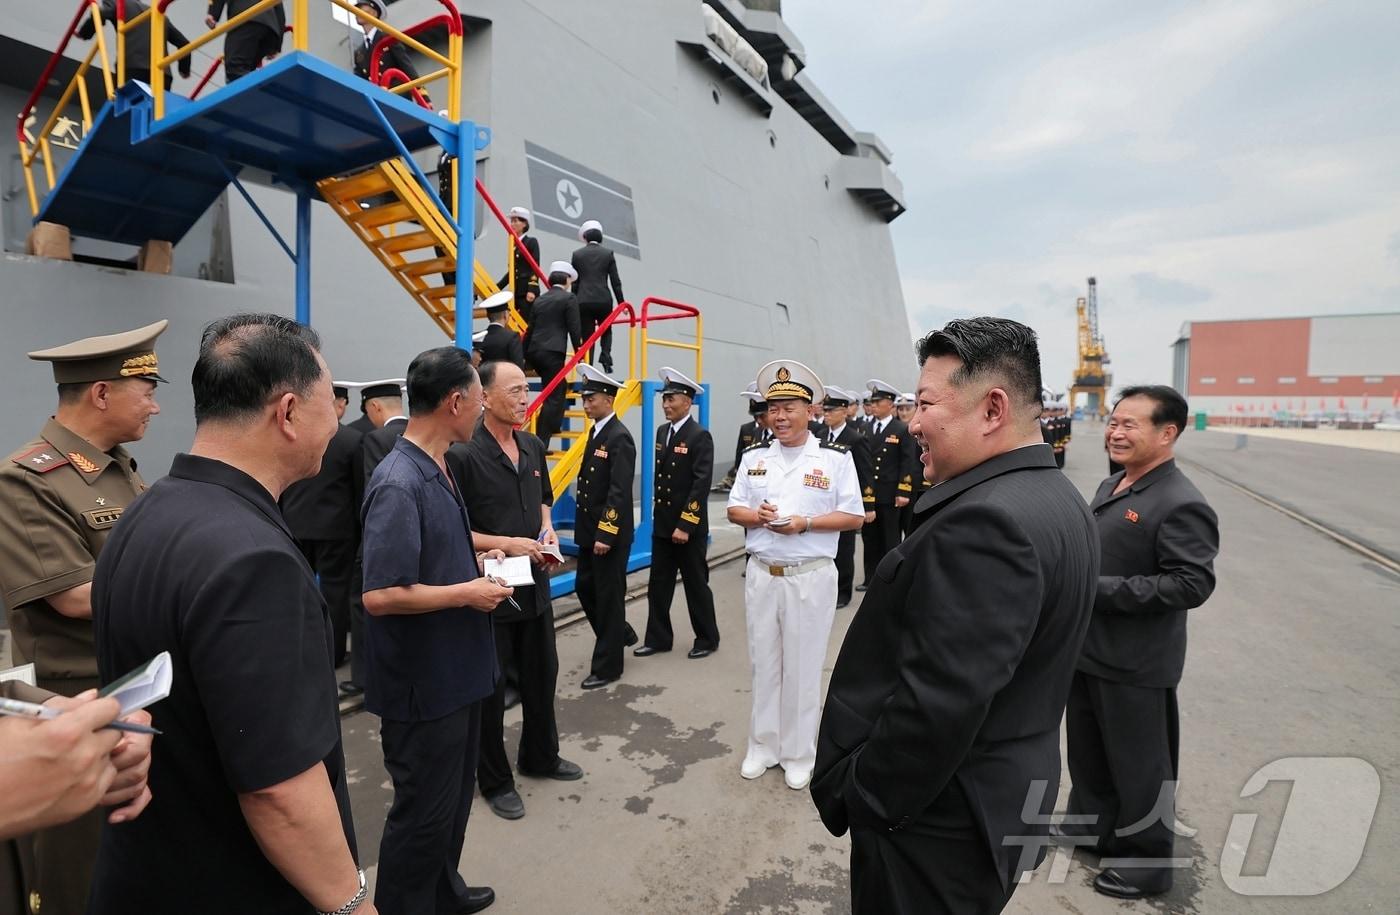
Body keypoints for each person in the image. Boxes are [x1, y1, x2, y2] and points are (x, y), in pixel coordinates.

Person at [812, 317, 1101, 914]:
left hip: (938, 824)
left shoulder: (985, 523)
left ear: (992, 409)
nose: (913, 422)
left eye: (925, 403)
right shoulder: (1057, 497)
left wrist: (865, 795)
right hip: (1000, 795)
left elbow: (937, 705)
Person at [89, 313, 371, 915]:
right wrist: (352, 905)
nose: (336, 420)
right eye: (331, 404)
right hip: (233, 883)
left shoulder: (147, 512)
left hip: (150, 871)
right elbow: (278, 790)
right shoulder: (254, 561)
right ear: (288, 412)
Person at [0, 319, 166, 915]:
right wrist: (185, 589)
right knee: (84, 872)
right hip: (81, 703)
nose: (154, 403)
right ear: (102, 393)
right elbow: (72, 594)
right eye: (145, 389)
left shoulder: (118, 467)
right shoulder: (25, 479)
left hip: (139, 686)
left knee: (144, 860)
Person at [360, 347, 510, 915]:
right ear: (454, 402)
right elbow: (380, 595)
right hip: (425, 685)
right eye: (477, 400)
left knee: (450, 806)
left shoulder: (439, 462)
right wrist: (467, 593)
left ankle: (443, 892)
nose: (481, 411)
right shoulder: (399, 481)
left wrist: (501, 549)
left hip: (458, 671)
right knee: (422, 812)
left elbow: (443, 541)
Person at [1057, 385, 1219, 901]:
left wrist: (1098, 590)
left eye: (1131, 424)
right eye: (1113, 422)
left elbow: (1191, 583)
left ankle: (1150, 861)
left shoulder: (1181, 502)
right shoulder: (1114, 485)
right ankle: (1093, 826)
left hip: (1136, 662)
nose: (1116, 431)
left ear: (1167, 433)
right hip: (1090, 648)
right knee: (1089, 751)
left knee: (1141, 766)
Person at [447, 361, 582, 823]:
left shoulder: (532, 444)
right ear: (484, 397)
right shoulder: (462, 455)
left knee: (542, 676)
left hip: (535, 581)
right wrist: (506, 543)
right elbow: (454, 531)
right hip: (493, 587)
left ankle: (540, 756)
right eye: (515, 391)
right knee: (491, 690)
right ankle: (495, 779)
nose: (525, 399)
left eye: (527, 390)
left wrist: (547, 531)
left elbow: (543, 499)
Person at [726, 360, 864, 791]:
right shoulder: (754, 457)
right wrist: (758, 516)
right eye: (773, 408)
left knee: (803, 668)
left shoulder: (835, 459)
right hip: (763, 574)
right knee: (764, 663)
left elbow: (854, 516)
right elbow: (734, 508)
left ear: (812, 411)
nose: (780, 417)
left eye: (789, 407)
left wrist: (806, 523)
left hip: (811, 575)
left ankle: (800, 753)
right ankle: (763, 745)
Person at [636, 367, 719, 659]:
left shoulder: (699, 436)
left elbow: (700, 485)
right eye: (664, 399)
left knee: (696, 585)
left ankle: (707, 638)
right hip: (663, 525)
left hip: (688, 527)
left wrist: (685, 524)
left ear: (687, 400)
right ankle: (658, 638)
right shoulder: (663, 432)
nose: (666, 405)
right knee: (658, 584)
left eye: (672, 399)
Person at [280, 382, 363, 667]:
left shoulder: (292, 434)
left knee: (295, 591)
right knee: (335, 596)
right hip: (337, 531)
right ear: (338, 403)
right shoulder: (352, 439)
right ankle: (335, 653)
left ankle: (295, 650)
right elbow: (357, 490)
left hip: (294, 524)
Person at [573, 363, 639, 688]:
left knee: (609, 596)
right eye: (584, 399)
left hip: (607, 535)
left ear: (609, 399)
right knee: (585, 588)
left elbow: (618, 490)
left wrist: (606, 533)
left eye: (591, 398)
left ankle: (608, 667)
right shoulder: (596, 432)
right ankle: (620, 633)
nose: (586, 405)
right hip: (589, 532)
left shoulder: (619, 437)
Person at [342, 378, 407, 696]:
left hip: (379, 544)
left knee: (363, 606)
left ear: (375, 407)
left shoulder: (375, 440)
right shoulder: (423, 434)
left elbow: (372, 497)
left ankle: (365, 678)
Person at [856, 378, 919, 592]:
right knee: (869, 538)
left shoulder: (900, 429)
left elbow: (907, 461)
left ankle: (889, 580)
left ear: (890, 404)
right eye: (872, 402)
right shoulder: (864, 428)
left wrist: (904, 490)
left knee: (890, 538)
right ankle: (869, 577)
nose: (873, 405)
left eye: (878, 401)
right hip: (869, 493)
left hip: (890, 492)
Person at [819, 386, 875, 609]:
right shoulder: (819, 436)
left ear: (844, 411)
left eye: (831, 411)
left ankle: (843, 592)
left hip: (845, 502)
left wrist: (867, 505)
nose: (827, 414)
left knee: (844, 549)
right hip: (823, 501)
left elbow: (865, 473)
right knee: (825, 549)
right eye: (825, 410)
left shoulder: (855, 438)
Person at [521, 261, 582, 450]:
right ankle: (542, 442)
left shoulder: (540, 299)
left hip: (534, 352)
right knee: (553, 396)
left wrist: (523, 356)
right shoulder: (569, 298)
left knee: (559, 386)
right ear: (566, 280)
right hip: (552, 352)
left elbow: (530, 329)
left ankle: (554, 424)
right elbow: (574, 327)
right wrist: (579, 350)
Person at [77, 0, 193, 89]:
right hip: (162, 75)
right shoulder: (158, 14)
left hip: (132, 69)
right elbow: (184, 44)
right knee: (156, 115)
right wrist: (184, 70)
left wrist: (84, 34)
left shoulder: (119, 3)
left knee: (126, 113)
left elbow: (100, 13)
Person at [570, 219, 624, 374]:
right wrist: (622, 302)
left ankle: (588, 367)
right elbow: (615, 281)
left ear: (585, 237)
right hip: (603, 300)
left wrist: (573, 301)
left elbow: (575, 282)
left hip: (583, 300)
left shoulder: (577, 255)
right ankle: (606, 358)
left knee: (587, 335)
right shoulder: (608, 254)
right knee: (606, 330)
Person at [349, 0, 426, 100]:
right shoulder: (359, 52)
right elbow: (359, 80)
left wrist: (423, 96)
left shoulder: (387, 38)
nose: (357, 11)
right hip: (375, 99)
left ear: (374, 12)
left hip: (397, 95)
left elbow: (406, 66)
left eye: (361, 7)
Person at [205, 0, 285, 82]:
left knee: (235, 66)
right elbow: (279, 6)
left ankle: (253, 93)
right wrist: (277, 45)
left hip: (246, 18)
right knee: (248, 68)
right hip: (270, 29)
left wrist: (213, 13)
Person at [714, 385, 769, 491]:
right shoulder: (748, 429)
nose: (758, 420)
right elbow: (740, 459)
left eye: (762, 416)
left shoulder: (780, 435)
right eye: (755, 416)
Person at [497, 206, 542, 311]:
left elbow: (535, 266)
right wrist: (498, 287)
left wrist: (532, 289)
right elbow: (512, 271)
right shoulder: (513, 245)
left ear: (524, 224)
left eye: (515, 221)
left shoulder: (531, 242)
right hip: (515, 291)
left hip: (526, 291)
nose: (512, 224)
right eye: (511, 221)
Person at [476, 289, 526, 371]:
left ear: (488, 316)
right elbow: (518, 367)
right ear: (506, 315)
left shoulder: (478, 338)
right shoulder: (512, 337)